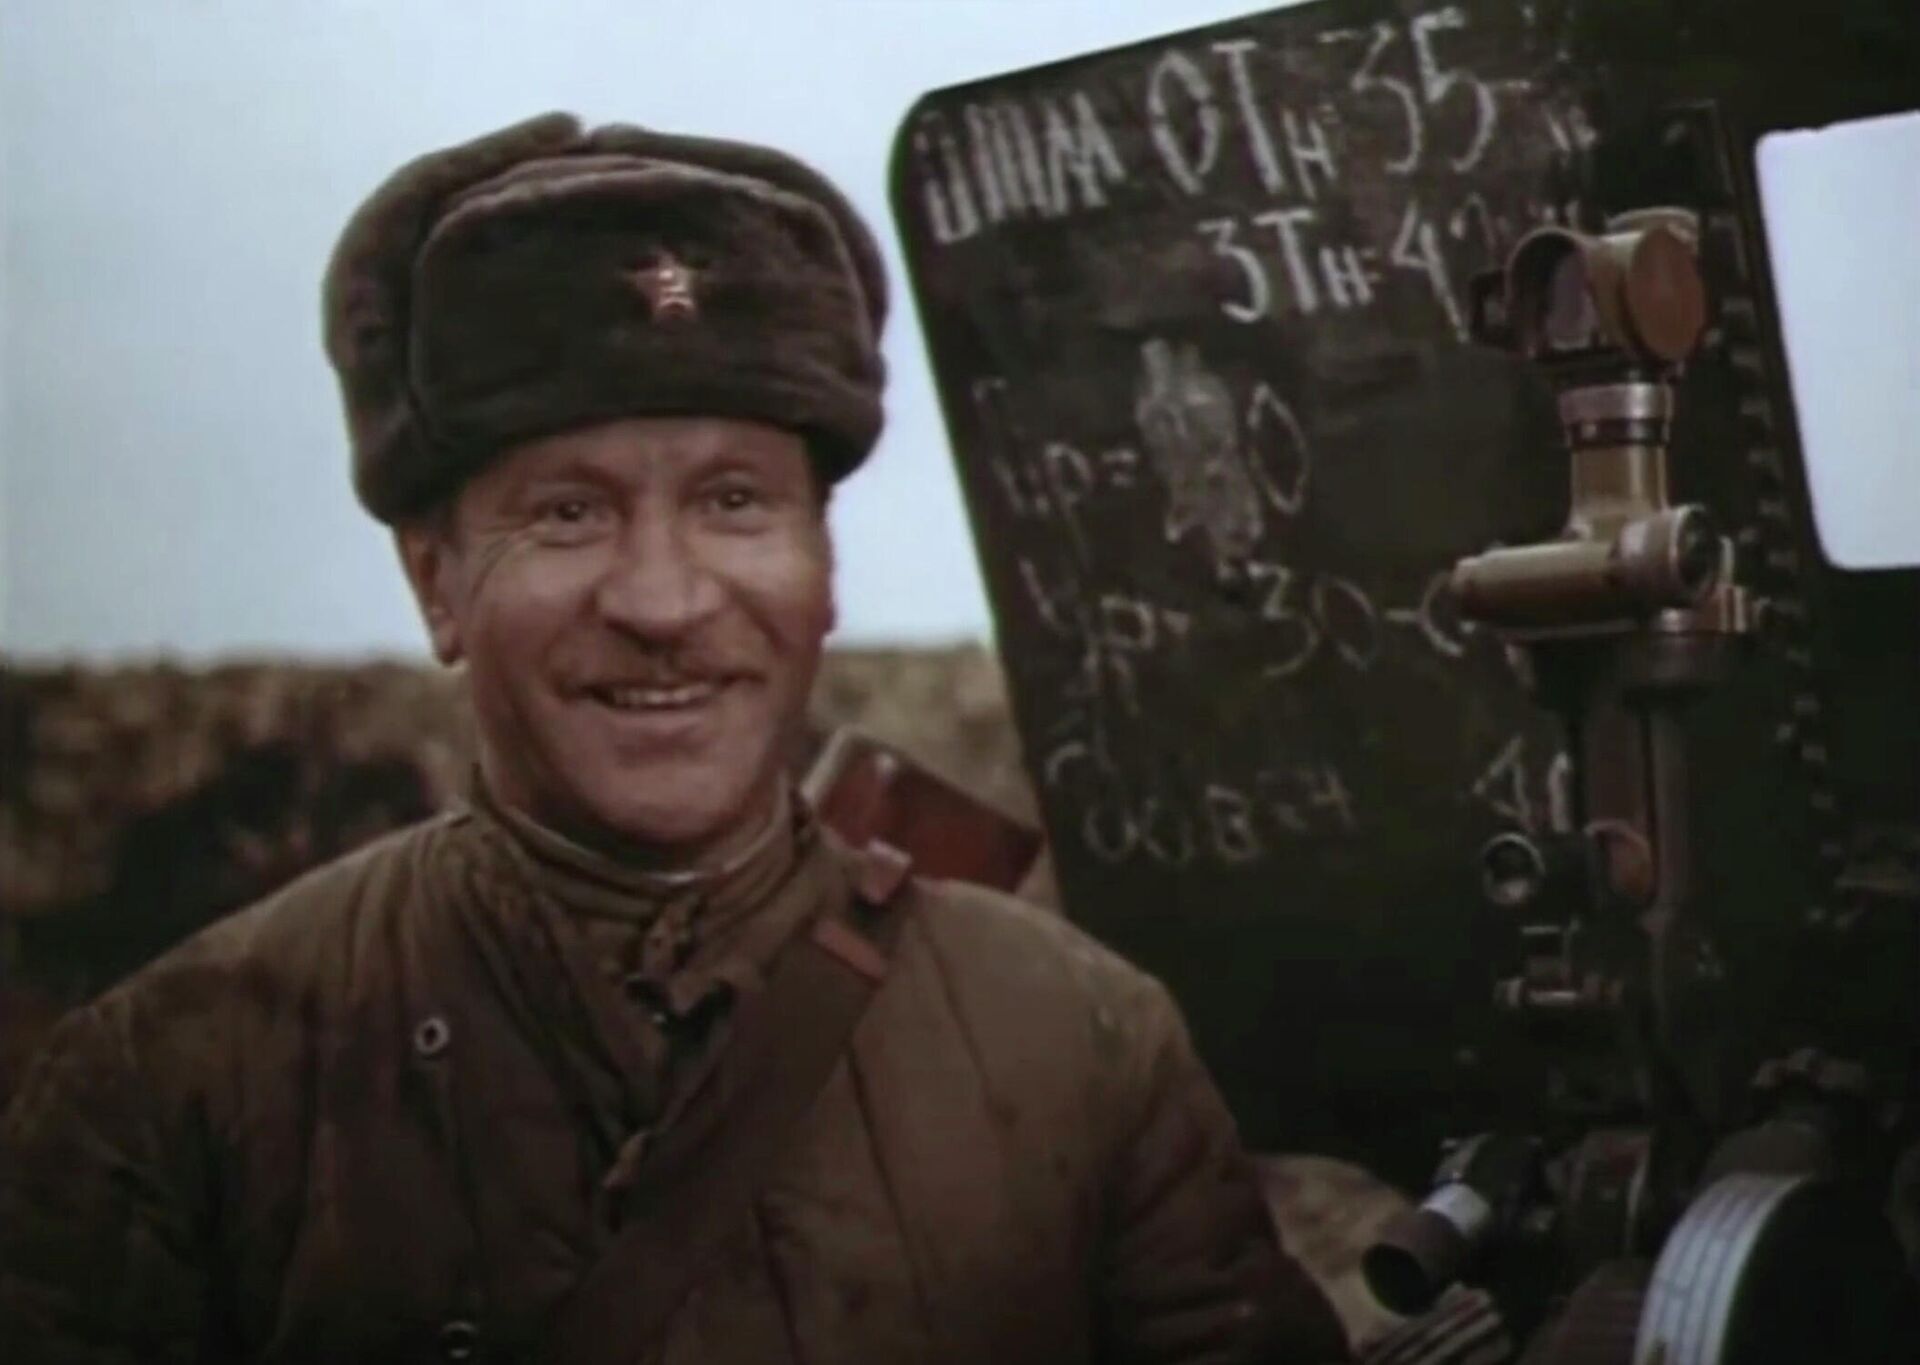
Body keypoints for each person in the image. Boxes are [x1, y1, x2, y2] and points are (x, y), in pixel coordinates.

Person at [0, 112, 1349, 1364]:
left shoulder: (1088, 1048)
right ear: (436, 584)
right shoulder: (171, 1093)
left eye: (734, 502)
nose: (662, 601)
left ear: (824, 569)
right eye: (568, 513)